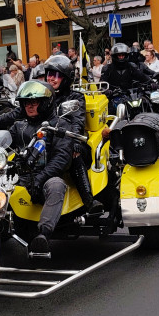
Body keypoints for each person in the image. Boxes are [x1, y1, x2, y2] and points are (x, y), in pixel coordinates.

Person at [10, 81, 74, 258]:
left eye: (34, 102)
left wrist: (40, 178)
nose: (29, 106)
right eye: (26, 103)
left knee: (56, 185)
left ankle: (43, 234)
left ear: (45, 103)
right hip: (21, 175)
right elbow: (6, 142)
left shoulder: (60, 125)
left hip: (46, 176)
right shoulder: (19, 126)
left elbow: (62, 158)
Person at [44, 54, 102, 213]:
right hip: (47, 142)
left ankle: (89, 200)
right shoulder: (42, 96)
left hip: (71, 141)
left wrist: (76, 139)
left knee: (73, 152)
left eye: (56, 76)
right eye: (49, 74)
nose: (51, 79)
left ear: (66, 78)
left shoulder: (76, 97)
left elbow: (77, 121)